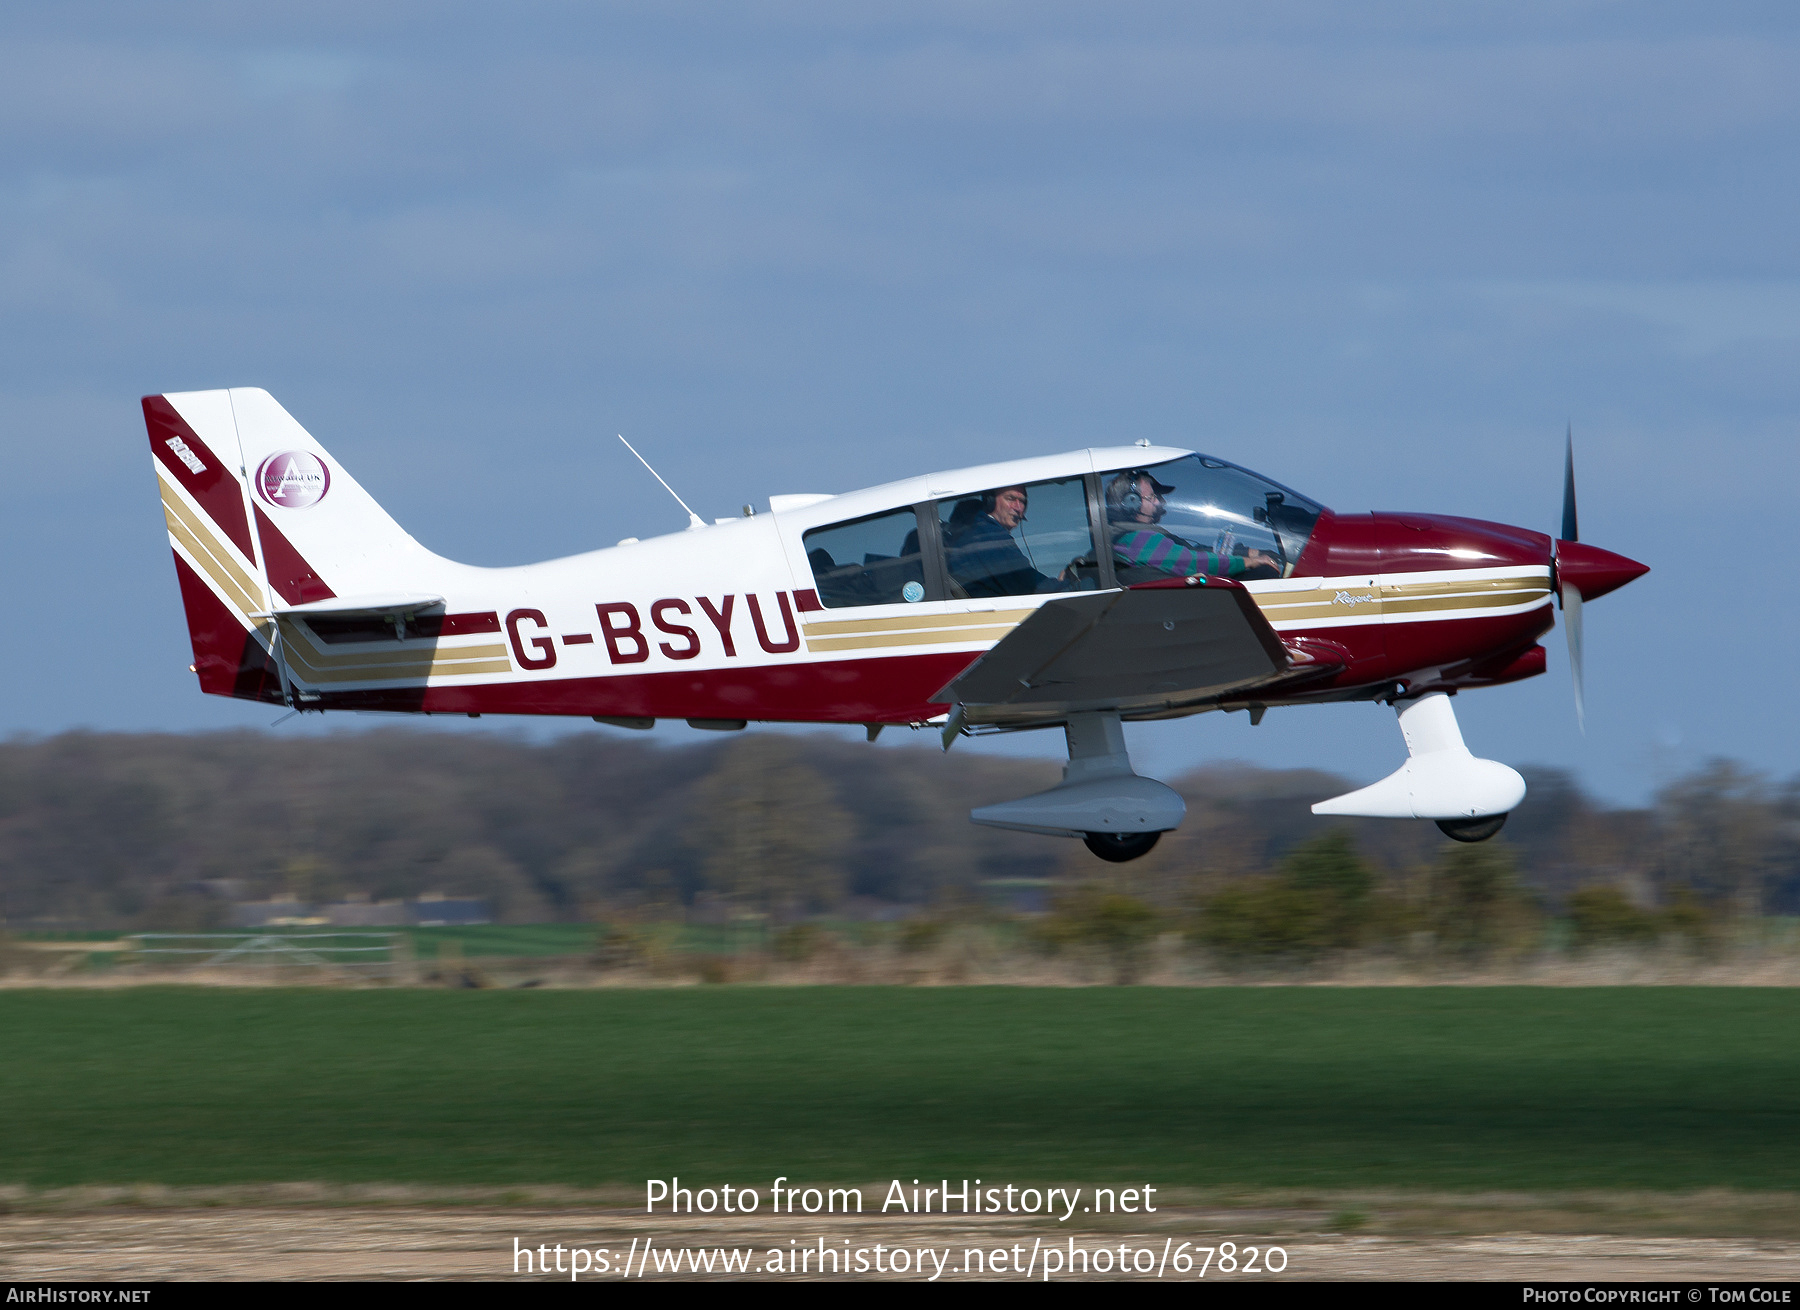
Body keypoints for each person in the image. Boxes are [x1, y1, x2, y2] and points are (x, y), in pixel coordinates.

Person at [1104, 470, 1281, 581]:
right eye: (1151, 497)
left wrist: (1246, 552)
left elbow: (1194, 552)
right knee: (1264, 574)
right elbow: (1194, 562)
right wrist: (1249, 562)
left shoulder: (1137, 538)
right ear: (1130, 504)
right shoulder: (1138, 541)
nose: (1158, 502)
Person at [945, 485, 1063, 598]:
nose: (1018, 508)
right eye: (1010, 499)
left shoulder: (979, 533)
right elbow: (1029, 585)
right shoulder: (988, 537)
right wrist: (1063, 584)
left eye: (1022, 501)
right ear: (990, 502)